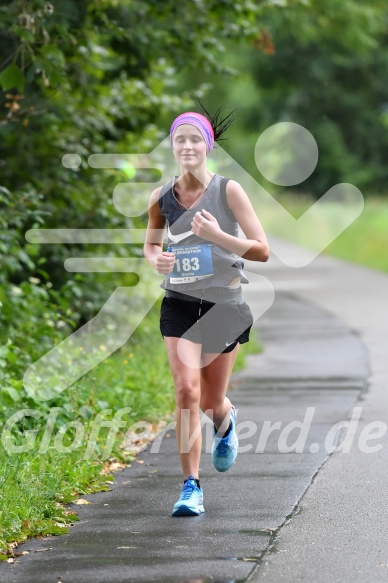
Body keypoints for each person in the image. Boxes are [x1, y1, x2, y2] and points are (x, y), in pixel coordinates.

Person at [143, 103, 269, 517]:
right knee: (185, 392)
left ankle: (226, 420)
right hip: (178, 305)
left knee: (211, 400)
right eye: (180, 139)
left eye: (195, 138)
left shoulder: (229, 191)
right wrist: (155, 259)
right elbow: (151, 244)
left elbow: (262, 250)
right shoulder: (161, 197)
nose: (187, 146)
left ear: (208, 145)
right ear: (172, 146)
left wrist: (218, 235)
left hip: (223, 306)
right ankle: (190, 487)